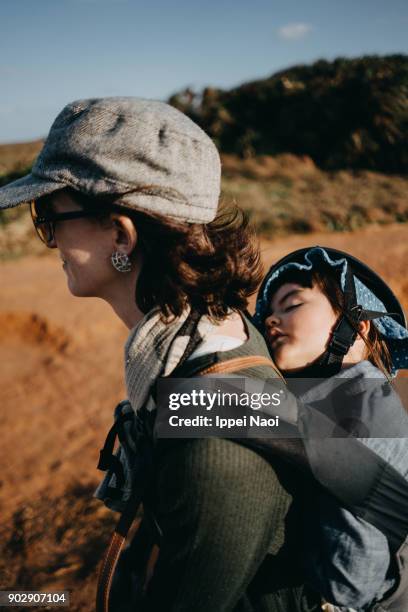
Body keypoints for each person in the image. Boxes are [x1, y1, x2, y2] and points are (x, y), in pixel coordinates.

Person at [0, 98, 321, 611]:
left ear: (121, 235)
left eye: (49, 216)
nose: (49, 237)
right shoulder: (214, 332)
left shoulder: (211, 447)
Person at [254, 246, 408, 612]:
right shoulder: (342, 400)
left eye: (291, 305)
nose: (272, 321)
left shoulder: (358, 409)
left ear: (356, 325)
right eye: (270, 315)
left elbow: (350, 584)